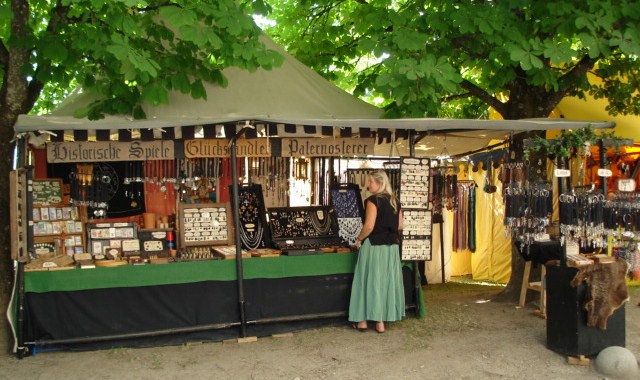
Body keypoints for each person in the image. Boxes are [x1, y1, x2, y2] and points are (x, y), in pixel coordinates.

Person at [349, 170, 405, 333]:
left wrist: (359, 239)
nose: (367, 185)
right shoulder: (395, 201)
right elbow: (401, 225)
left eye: (370, 182)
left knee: (367, 281)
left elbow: (369, 226)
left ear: (380, 183)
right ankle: (380, 322)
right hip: (391, 248)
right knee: (384, 283)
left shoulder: (373, 201)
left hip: (373, 247)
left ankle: (363, 321)